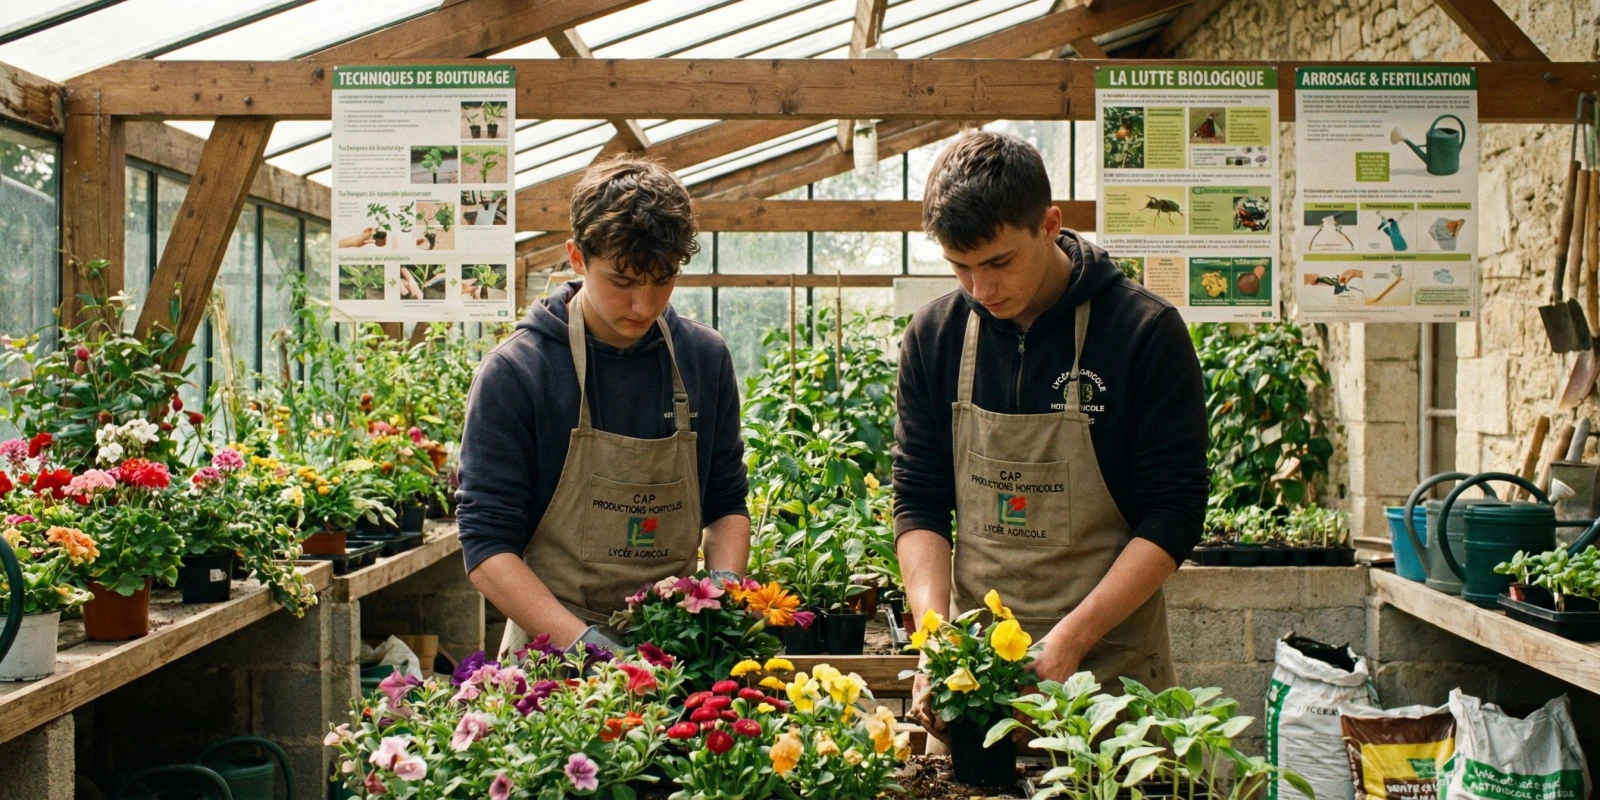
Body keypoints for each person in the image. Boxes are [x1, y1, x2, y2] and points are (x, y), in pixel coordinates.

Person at [893, 132, 1207, 742]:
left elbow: (1174, 512)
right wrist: (935, 639)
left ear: (1050, 225)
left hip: (1111, 675)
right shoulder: (935, 336)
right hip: (974, 680)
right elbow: (919, 497)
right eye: (959, 266)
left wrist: (1071, 640)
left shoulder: (1144, 332)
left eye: (998, 263)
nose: (980, 290)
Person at [457, 156, 751, 656]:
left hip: (678, 648)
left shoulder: (703, 358)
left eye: (663, 279)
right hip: (552, 659)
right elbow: (486, 546)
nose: (645, 304)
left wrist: (720, 597)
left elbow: (725, 504)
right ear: (577, 257)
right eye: (622, 281)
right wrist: (587, 649)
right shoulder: (517, 373)